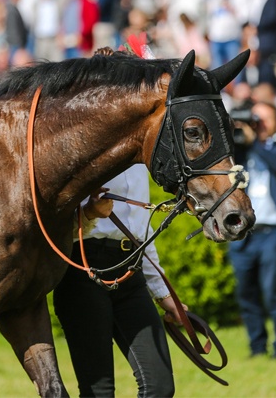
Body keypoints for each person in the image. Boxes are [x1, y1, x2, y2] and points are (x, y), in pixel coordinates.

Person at [54, 164, 184, 397]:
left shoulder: (139, 164)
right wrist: (88, 214)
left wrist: (164, 294)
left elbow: (141, 230)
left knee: (161, 388)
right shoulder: (82, 149)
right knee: (99, 393)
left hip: (130, 271)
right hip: (83, 271)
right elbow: (49, 225)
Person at [228, 101, 276, 359]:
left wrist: (256, 141)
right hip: (243, 233)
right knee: (245, 292)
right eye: (255, 118)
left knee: (273, 292)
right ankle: (257, 347)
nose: (258, 123)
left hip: (272, 231)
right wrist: (237, 133)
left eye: (265, 119)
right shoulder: (240, 149)